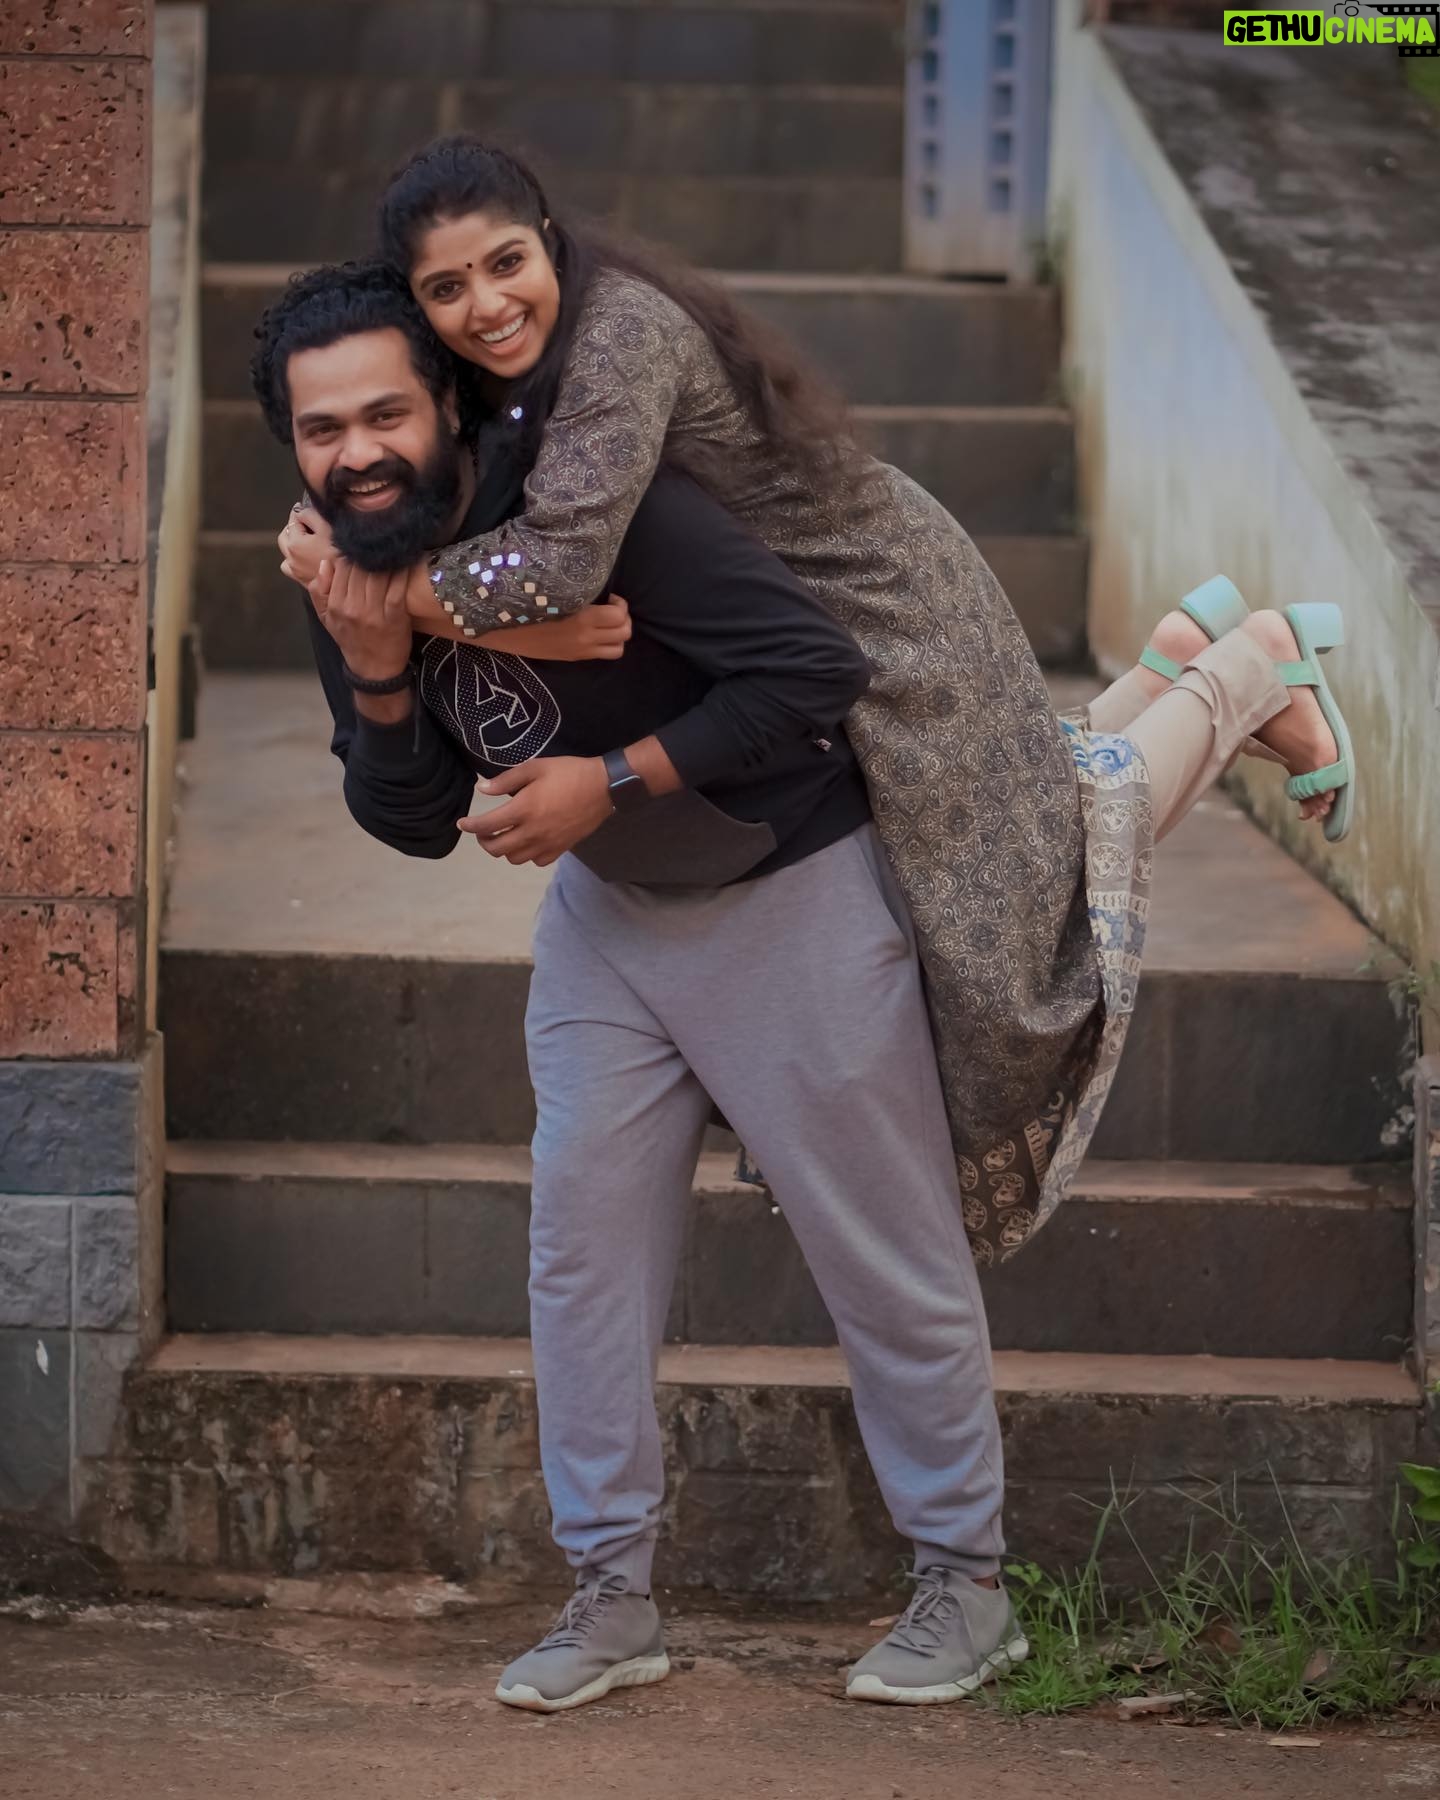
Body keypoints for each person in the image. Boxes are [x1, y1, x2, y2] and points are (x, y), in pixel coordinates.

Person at [259, 258, 1356, 1714]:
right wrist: (378, 663)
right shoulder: (349, 568)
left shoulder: (614, 511)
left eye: (384, 414)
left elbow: (803, 673)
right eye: (322, 429)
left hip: (792, 894)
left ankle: (966, 1587)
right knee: (582, 1259)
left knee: (884, 1248)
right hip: (609, 925)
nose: (358, 452)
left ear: (448, 405)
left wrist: (607, 780)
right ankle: (609, 1595)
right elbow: (404, 814)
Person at [279, 136, 1356, 1285]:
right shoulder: (498, 377)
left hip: (886, 609)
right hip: (795, 613)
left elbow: (560, 568)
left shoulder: (617, 336)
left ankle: (1250, 672)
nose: (486, 305)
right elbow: (544, 578)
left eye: (505, 263)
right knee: (1022, 827)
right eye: (446, 288)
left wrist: (375, 594)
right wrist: (482, 619)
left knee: (1028, 891)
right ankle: (1178, 668)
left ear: (548, 238)